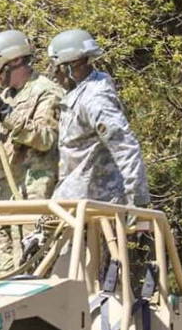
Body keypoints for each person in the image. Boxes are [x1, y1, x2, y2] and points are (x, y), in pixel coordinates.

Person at [0, 29, 64, 272]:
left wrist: (6, 114)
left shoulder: (47, 91)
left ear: (14, 61)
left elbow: (46, 138)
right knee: (5, 270)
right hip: (7, 196)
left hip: (34, 195)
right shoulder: (6, 96)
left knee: (35, 268)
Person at [46, 29, 149, 207]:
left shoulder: (95, 99)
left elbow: (124, 146)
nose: (55, 74)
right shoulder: (77, 94)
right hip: (74, 200)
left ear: (69, 66)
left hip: (97, 204)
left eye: (56, 67)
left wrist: (137, 200)